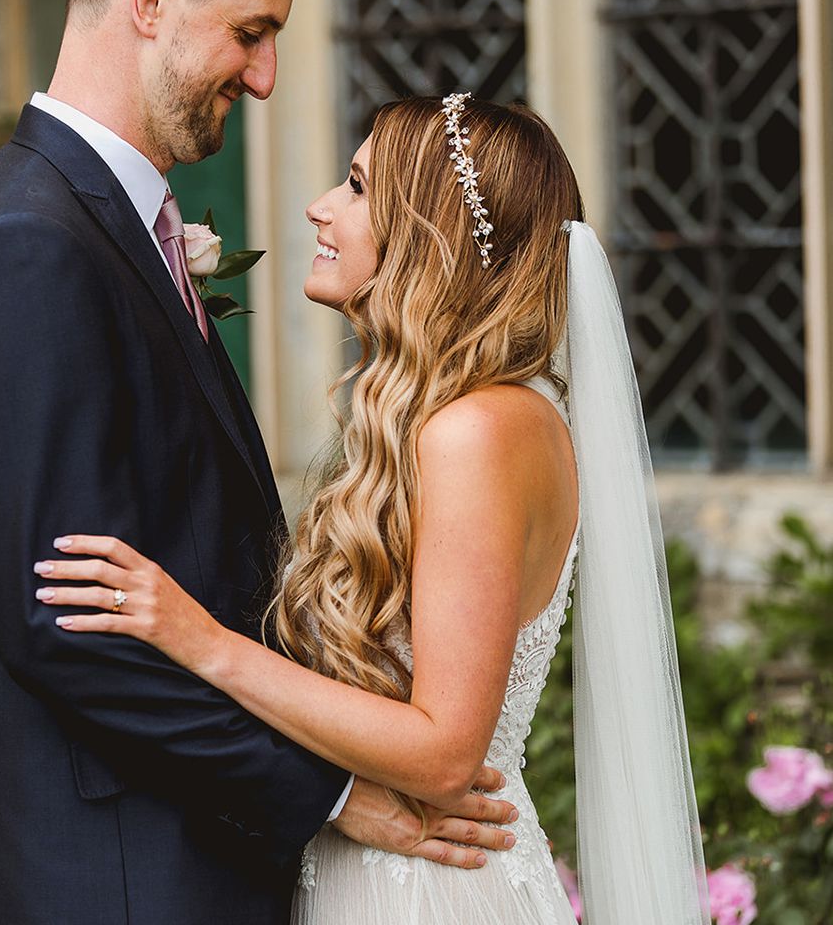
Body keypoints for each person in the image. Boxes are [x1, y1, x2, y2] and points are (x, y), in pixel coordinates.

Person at [0, 0, 518, 923]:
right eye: (250, 31)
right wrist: (334, 794)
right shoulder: (28, 245)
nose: (266, 77)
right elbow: (74, 629)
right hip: (98, 885)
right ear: (150, 0)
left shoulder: (100, 228)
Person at [36, 95, 713, 924]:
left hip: (435, 887)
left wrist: (198, 641)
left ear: (433, 235)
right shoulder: (463, 417)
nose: (321, 205)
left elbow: (441, 753)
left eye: (357, 187)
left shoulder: (479, 430)